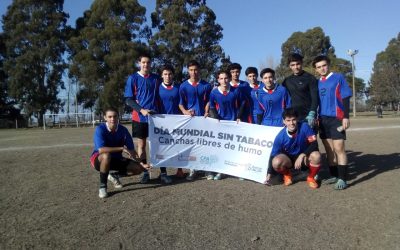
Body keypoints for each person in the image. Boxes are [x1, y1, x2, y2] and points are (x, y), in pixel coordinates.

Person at [90, 107, 150, 198]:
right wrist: (121, 148)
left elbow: (132, 151)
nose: (112, 119)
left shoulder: (123, 130)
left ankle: (115, 175)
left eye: (115, 116)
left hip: (116, 159)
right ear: (105, 117)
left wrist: (141, 163)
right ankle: (103, 187)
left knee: (139, 169)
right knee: (106, 156)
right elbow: (101, 150)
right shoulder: (100, 129)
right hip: (99, 160)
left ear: (118, 117)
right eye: (109, 117)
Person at [312, 55, 352, 190]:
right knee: (329, 150)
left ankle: (343, 178)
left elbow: (345, 96)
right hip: (323, 119)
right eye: (319, 67)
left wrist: (346, 116)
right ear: (316, 69)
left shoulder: (338, 77)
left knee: (339, 148)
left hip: (337, 118)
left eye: (324, 65)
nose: (322, 69)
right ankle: (334, 175)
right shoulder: (317, 82)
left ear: (328, 64)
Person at [124, 53, 163, 184]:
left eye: (148, 62)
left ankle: (163, 172)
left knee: (158, 145)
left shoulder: (156, 78)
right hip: (139, 118)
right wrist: (142, 110)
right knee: (141, 145)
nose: (146, 65)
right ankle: (145, 172)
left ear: (151, 64)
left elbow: (164, 92)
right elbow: (128, 100)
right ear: (139, 63)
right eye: (143, 62)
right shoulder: (133, 78)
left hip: (155, 118)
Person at [266, 108, 321, 189]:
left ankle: (311, 177)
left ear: (297, 119)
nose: (291, 123)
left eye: (293, 120)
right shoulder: (280, 136)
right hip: (290, 161)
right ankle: (287, 174)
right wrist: (269, 173)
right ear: (284, 121)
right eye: (288, 120)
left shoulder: (305, 127)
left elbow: (314, 144)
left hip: (304, 159)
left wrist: (303, 154)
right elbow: (272, 155)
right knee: (276, 162)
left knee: (316, 156)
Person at [207, 69, 244, 180]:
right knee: (222, 148)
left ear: (229, 78)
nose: (224, 80)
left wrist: (239, 116)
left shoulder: (235, 91)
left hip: (233, 122)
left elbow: (242, 103)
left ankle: (237, 170)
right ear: (218, 80)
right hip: (221, 123)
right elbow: (212, 105)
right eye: (221, 78)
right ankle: (221, 170)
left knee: (234, 147)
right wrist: (216, 118)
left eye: (226, 78)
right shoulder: (214, 92)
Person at [179, 60, 212, 180]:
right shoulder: (183, 86)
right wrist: (185, 112)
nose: (194, 72)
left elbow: (209, 100)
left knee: (205, 143)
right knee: (191, 144)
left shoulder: (206, 85)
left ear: (199, 70)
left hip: (203, 118)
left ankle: (206, 169)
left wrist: (207, 110)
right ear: (188, 71)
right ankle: (192, 169)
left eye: (196, 69)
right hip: (190, 120)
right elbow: (181, 104)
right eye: (191, 70)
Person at [157, 64, 184, 178]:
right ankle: (163, 172)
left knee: (179, 146)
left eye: (170, 74)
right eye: (165, 74)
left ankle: (180, 170)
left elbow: (181, 103)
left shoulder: (178, 88)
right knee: (162, 147)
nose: (167, 76)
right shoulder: (157, 88)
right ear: (162, 76)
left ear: (173, 75)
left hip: (177, 122)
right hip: (162, 123)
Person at [282, 53, 319, 128]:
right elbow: (279, 94)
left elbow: (315, 98)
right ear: (289, 66)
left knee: (311, 140)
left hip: (308, 117)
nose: (296, 67)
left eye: (298, 64)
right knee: (296, 140)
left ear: (302, 63)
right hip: (293, 118)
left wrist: (312, 113)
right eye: (293, 65)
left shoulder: (310, 78)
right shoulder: (287, 81)